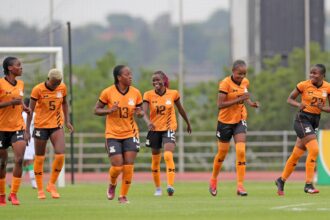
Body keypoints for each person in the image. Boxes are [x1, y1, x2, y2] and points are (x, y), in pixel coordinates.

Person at [275, 64, 330, 195]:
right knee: (315, 149)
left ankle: (281, 180)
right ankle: (308, 184)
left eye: (315, 73)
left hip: (314, 121)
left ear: (323, 75)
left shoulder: (327, 87)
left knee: (296, 154)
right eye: (311, 73)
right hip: (302, 119)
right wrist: (299, 104)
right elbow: (289, 99)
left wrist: (322, 108)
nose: (312, 75)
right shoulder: (303, 85)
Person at [94, 65, 143, 204]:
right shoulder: (108, 92)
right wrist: (109, 110)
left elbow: (139, 111)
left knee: (128, 165)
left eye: (131, 73)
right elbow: (96, 110)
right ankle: (112, 183)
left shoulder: (136, 92)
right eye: (127, 74)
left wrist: (140, 113)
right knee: (117, 166)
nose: (130, 76)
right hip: (113, 134)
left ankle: (123, 196)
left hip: (131, 133)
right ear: (119, 77)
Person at [209, 60, 259, 197]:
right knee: (222, 154)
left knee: (241, 151)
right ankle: (213, 179)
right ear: (233, 71)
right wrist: (239, 99)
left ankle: (240, 186)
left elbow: (244, 95)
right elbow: (220, 105)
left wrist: (251, 103)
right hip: (224, 122)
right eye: (239, 74)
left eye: (244, 74)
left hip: (240, 120)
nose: (242, 76)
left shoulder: (245, 82)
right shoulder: (225, 83)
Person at [25, 68, 73, 200]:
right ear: (48, 79)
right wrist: (27, 130)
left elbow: (65, 104)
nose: (56, 85)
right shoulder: (38, 89)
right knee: (40, 158)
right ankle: (40, 189)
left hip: (57, 125)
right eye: (54, 83)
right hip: (41, 126)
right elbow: (30, 110)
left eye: (58, 82)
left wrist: (67, 121)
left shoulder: (62, 88)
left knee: (60, 154)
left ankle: (51, 184)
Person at [143, 70, 191, 196]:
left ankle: (170, 185)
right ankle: (158, 188)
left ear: (164, 80)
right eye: (153, 80)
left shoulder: (173, 93)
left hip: (169, 128)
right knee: (155, 161)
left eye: (158, 79)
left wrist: (188, 123)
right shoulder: (148, 95)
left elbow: (180, 109)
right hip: (154, 130)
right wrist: (147, 122)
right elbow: (143, 112)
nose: (155, 82)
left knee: (168, 156)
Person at [0, 57, 30, 205]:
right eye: (19, 65)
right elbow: (11, 101)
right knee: (1, 163)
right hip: (1, 129)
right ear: (10, 68)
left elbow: (19, 101)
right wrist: (10, 103)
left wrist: (24, 107)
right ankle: (1, 195)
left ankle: (14, 194)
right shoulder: (0, 83)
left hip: (18, 127)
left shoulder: (21, 84)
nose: (21, 67)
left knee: (19, 159)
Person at [22, 98, 37, 189]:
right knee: (26, 161)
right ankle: (33, 183)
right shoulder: (34, 115)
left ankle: (33, 183)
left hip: (24, 139)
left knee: (26, 161)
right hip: (30, 139)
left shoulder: (23, 114)